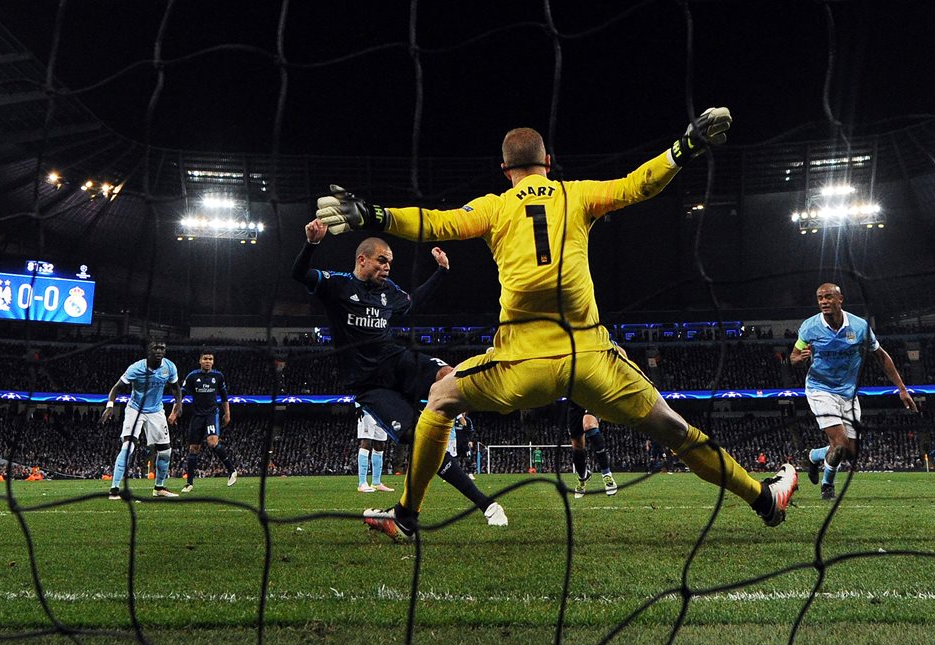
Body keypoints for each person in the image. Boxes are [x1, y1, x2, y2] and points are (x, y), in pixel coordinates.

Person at [315, 107, 799, 542]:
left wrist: (372, 214)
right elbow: (638, 185)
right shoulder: (576, 196)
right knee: (675, 430)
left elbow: (435, 223)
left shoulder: (496, 206)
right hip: (590, 360)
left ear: (505, 170)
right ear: (550, 161)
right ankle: (763, 499)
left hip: (518, 363)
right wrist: (686, 144)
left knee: (439, 403)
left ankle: (406, 515)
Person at [291, 233, 507, 526]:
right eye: (382, 260)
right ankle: (484, 504)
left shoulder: (388, 290)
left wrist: (441, 272)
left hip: (398, 362)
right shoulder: (337, 284)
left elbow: (413, 301)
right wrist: (311, 244)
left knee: (447, 375)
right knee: (421, 440)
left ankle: (496, 373)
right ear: (362, 259)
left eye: (390, 262)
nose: (387, 267)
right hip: (370, 384)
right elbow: (299, 273)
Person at [790, 283, 917, 500]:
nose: (823, 302)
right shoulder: (809, 327)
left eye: (828, 297)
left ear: (840, 299)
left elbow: (881, 356)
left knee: (851, 452)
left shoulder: (859, 327)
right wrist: (798, 359)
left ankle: (812, 456)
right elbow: (793, 356)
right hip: (820, 389)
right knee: (839, 444)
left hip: (848, 393)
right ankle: (827, 486)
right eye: (820, 298)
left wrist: (902, 389)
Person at [100, 339, 183, 499]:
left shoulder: (169, 367)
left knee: (165, 451)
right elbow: (116, 387)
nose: (159, 351)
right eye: (155, 348)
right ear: (148, 351)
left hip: (157, 411)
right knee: (128, 447)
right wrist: (110, 405)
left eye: (162, 348)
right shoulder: (136, 368)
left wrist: (178, 404)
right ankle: (114, 489)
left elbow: (176, 387)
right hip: (135, 409)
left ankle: (159, 488)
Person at [180, 349, 239, 493]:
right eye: (205, 359)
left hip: (212, 414)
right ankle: (189, 483)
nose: (208, 361)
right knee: (194, 449)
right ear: (200, 360)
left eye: (210, 359)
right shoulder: (192, 376)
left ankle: (232, 471)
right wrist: (174, 412)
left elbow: (224, 397)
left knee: (212, 441)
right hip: (197, 416)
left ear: (213, 362)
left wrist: (227, 414)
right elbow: (181, 394)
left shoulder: (218, 376)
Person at [567, 403, 618, 498]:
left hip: (592, 398)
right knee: (577, 447)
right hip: (575, 404)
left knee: (589, 425)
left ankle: (607, 475)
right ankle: (583, 478)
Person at [355, 406, 394, 492]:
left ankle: (376, 483)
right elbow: (358, 391)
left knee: (380, 444)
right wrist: (358, 406)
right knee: (366, 442)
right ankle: (362, 483)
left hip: (381, 411)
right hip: (367, 410)